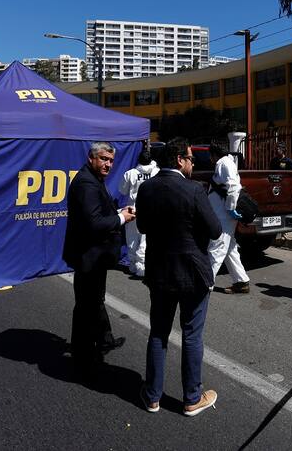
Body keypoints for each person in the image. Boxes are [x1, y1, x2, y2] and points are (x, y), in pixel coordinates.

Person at [136, 137, 222, 416]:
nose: (193, 163)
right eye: (190, 159)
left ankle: (152, 396)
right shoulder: (194, 190)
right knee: (192, 335)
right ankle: (191, 398)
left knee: (159, 333)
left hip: (160, 271)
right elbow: (214, 230)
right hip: (192, 272)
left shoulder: (147, 188)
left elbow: (143, 226)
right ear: (179, 160)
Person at [63, 142, 136, 379]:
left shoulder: (92, 179)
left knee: (94, 300)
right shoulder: (86, 183)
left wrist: (117, 213)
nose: (108, 164)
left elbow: (96, 214)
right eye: (104, 159)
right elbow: (94, 223)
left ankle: (104, 339)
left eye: (111, 160)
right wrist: (122, 219)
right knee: (86, 306)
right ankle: (82, 358)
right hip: (89, 256)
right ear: (91, 157)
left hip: (95, 255)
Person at [207, 142, 250, 294]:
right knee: (229, 248)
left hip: (224, 215)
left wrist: (230, 208)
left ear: (213, 154)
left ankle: (205, 284)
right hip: (223, 214)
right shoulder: (225, 163)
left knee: (216, 249)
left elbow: (233, 186)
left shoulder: (224, 163)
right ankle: (241, 281)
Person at [119, 150, 159, 278]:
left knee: (131, 239)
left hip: (133, 209)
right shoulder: (156, 172)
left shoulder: (130, 173)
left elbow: (123, 190)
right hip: (150, 209)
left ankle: (132, 265)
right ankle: (142, 267)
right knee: (145, 238)